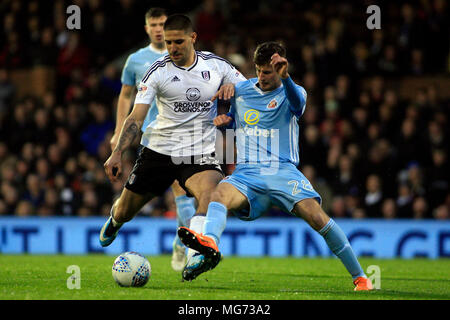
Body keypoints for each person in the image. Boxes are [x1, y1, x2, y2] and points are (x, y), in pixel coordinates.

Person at [178, 42, 373, 291]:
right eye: (259, 70)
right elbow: (237, 120)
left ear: (280, 68)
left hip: (282, 171)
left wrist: (286, 78)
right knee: (218, 193)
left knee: (316, 217)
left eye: (268, 71)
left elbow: (296, 104)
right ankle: (211, 245)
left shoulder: (295, 92)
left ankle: (360, 278)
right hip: (247, 174)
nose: (262, 76)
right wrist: (226, 121)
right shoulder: (241, 90)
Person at [100, 14, 246, 273]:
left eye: (178, 41)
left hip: (199, 152)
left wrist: (235, 90)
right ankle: (114, 219)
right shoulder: (157, 71)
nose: (173, 48)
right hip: (159, 151)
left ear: (193, 38)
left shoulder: (217, 66)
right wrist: (117, 152)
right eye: (168, 43)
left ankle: (197, 256)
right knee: (124, 211)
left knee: (211, 196)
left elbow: (250, 91)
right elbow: (136, 117)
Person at [109, 8, 195, 272]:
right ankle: (117, 218)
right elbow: (125, 95)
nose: (158, 29)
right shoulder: (136, 60)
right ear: (146, 28)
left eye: (162, 24)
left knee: (182, 188)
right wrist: (118, 131)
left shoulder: (185, 57)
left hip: (180, 134)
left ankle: (186, 246)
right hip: (149, 134)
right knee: (139, 195)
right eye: (154, 25)